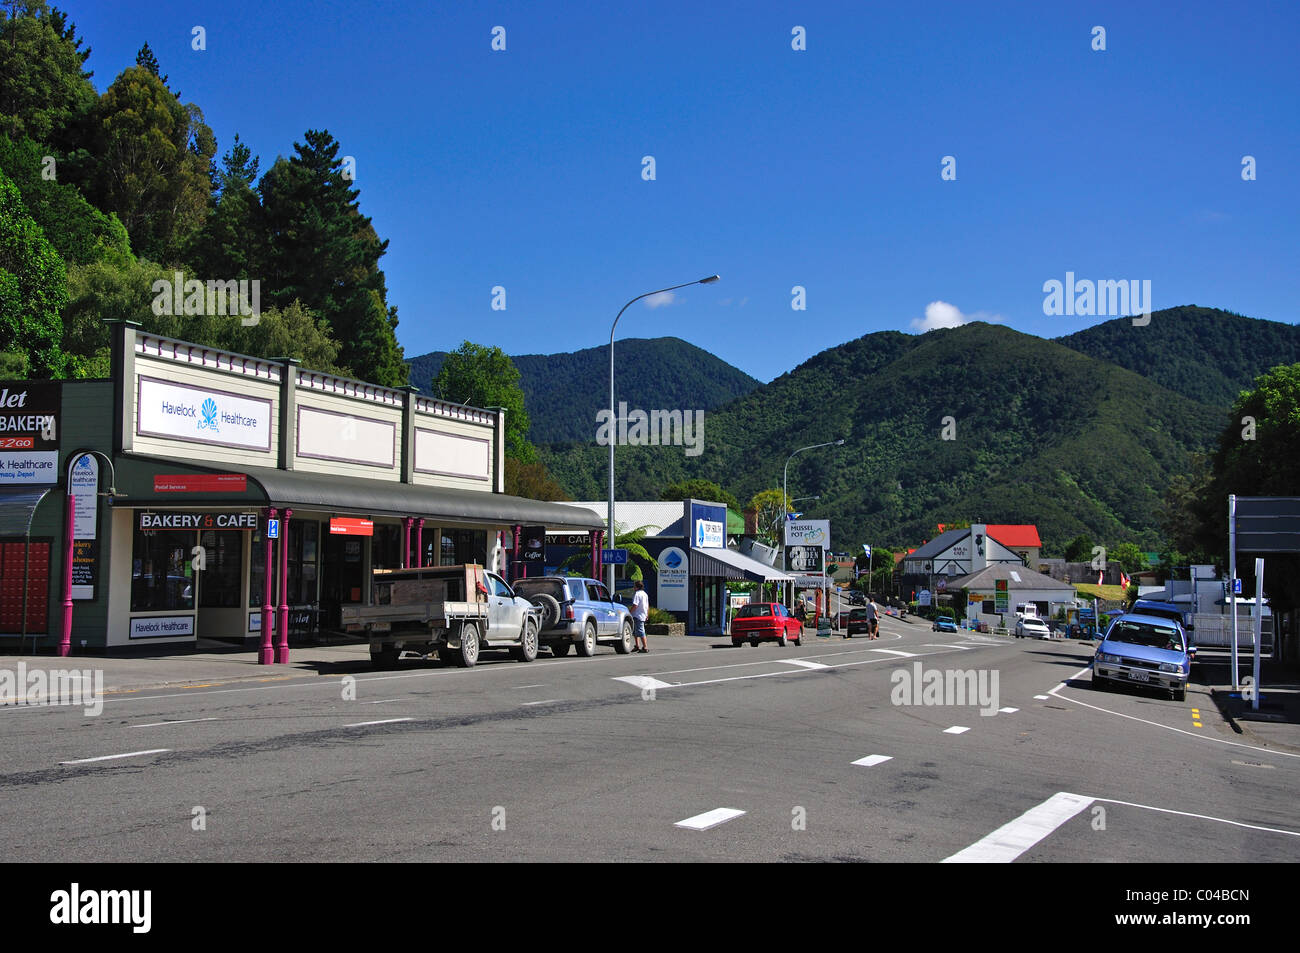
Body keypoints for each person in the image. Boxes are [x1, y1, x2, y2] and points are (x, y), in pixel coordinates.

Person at [631, 579, 650, 653]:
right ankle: (637, 646)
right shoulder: (645, 594)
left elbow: (635, 605)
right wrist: (647, 614)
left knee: (641, 631)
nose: (633, 588)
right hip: (643, 614)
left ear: (636, 587)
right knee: (635, 631)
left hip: (637, 615)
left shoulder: (637, 594)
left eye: (634, 586)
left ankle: (645, 647)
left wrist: (630, 612)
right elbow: (647, 605)